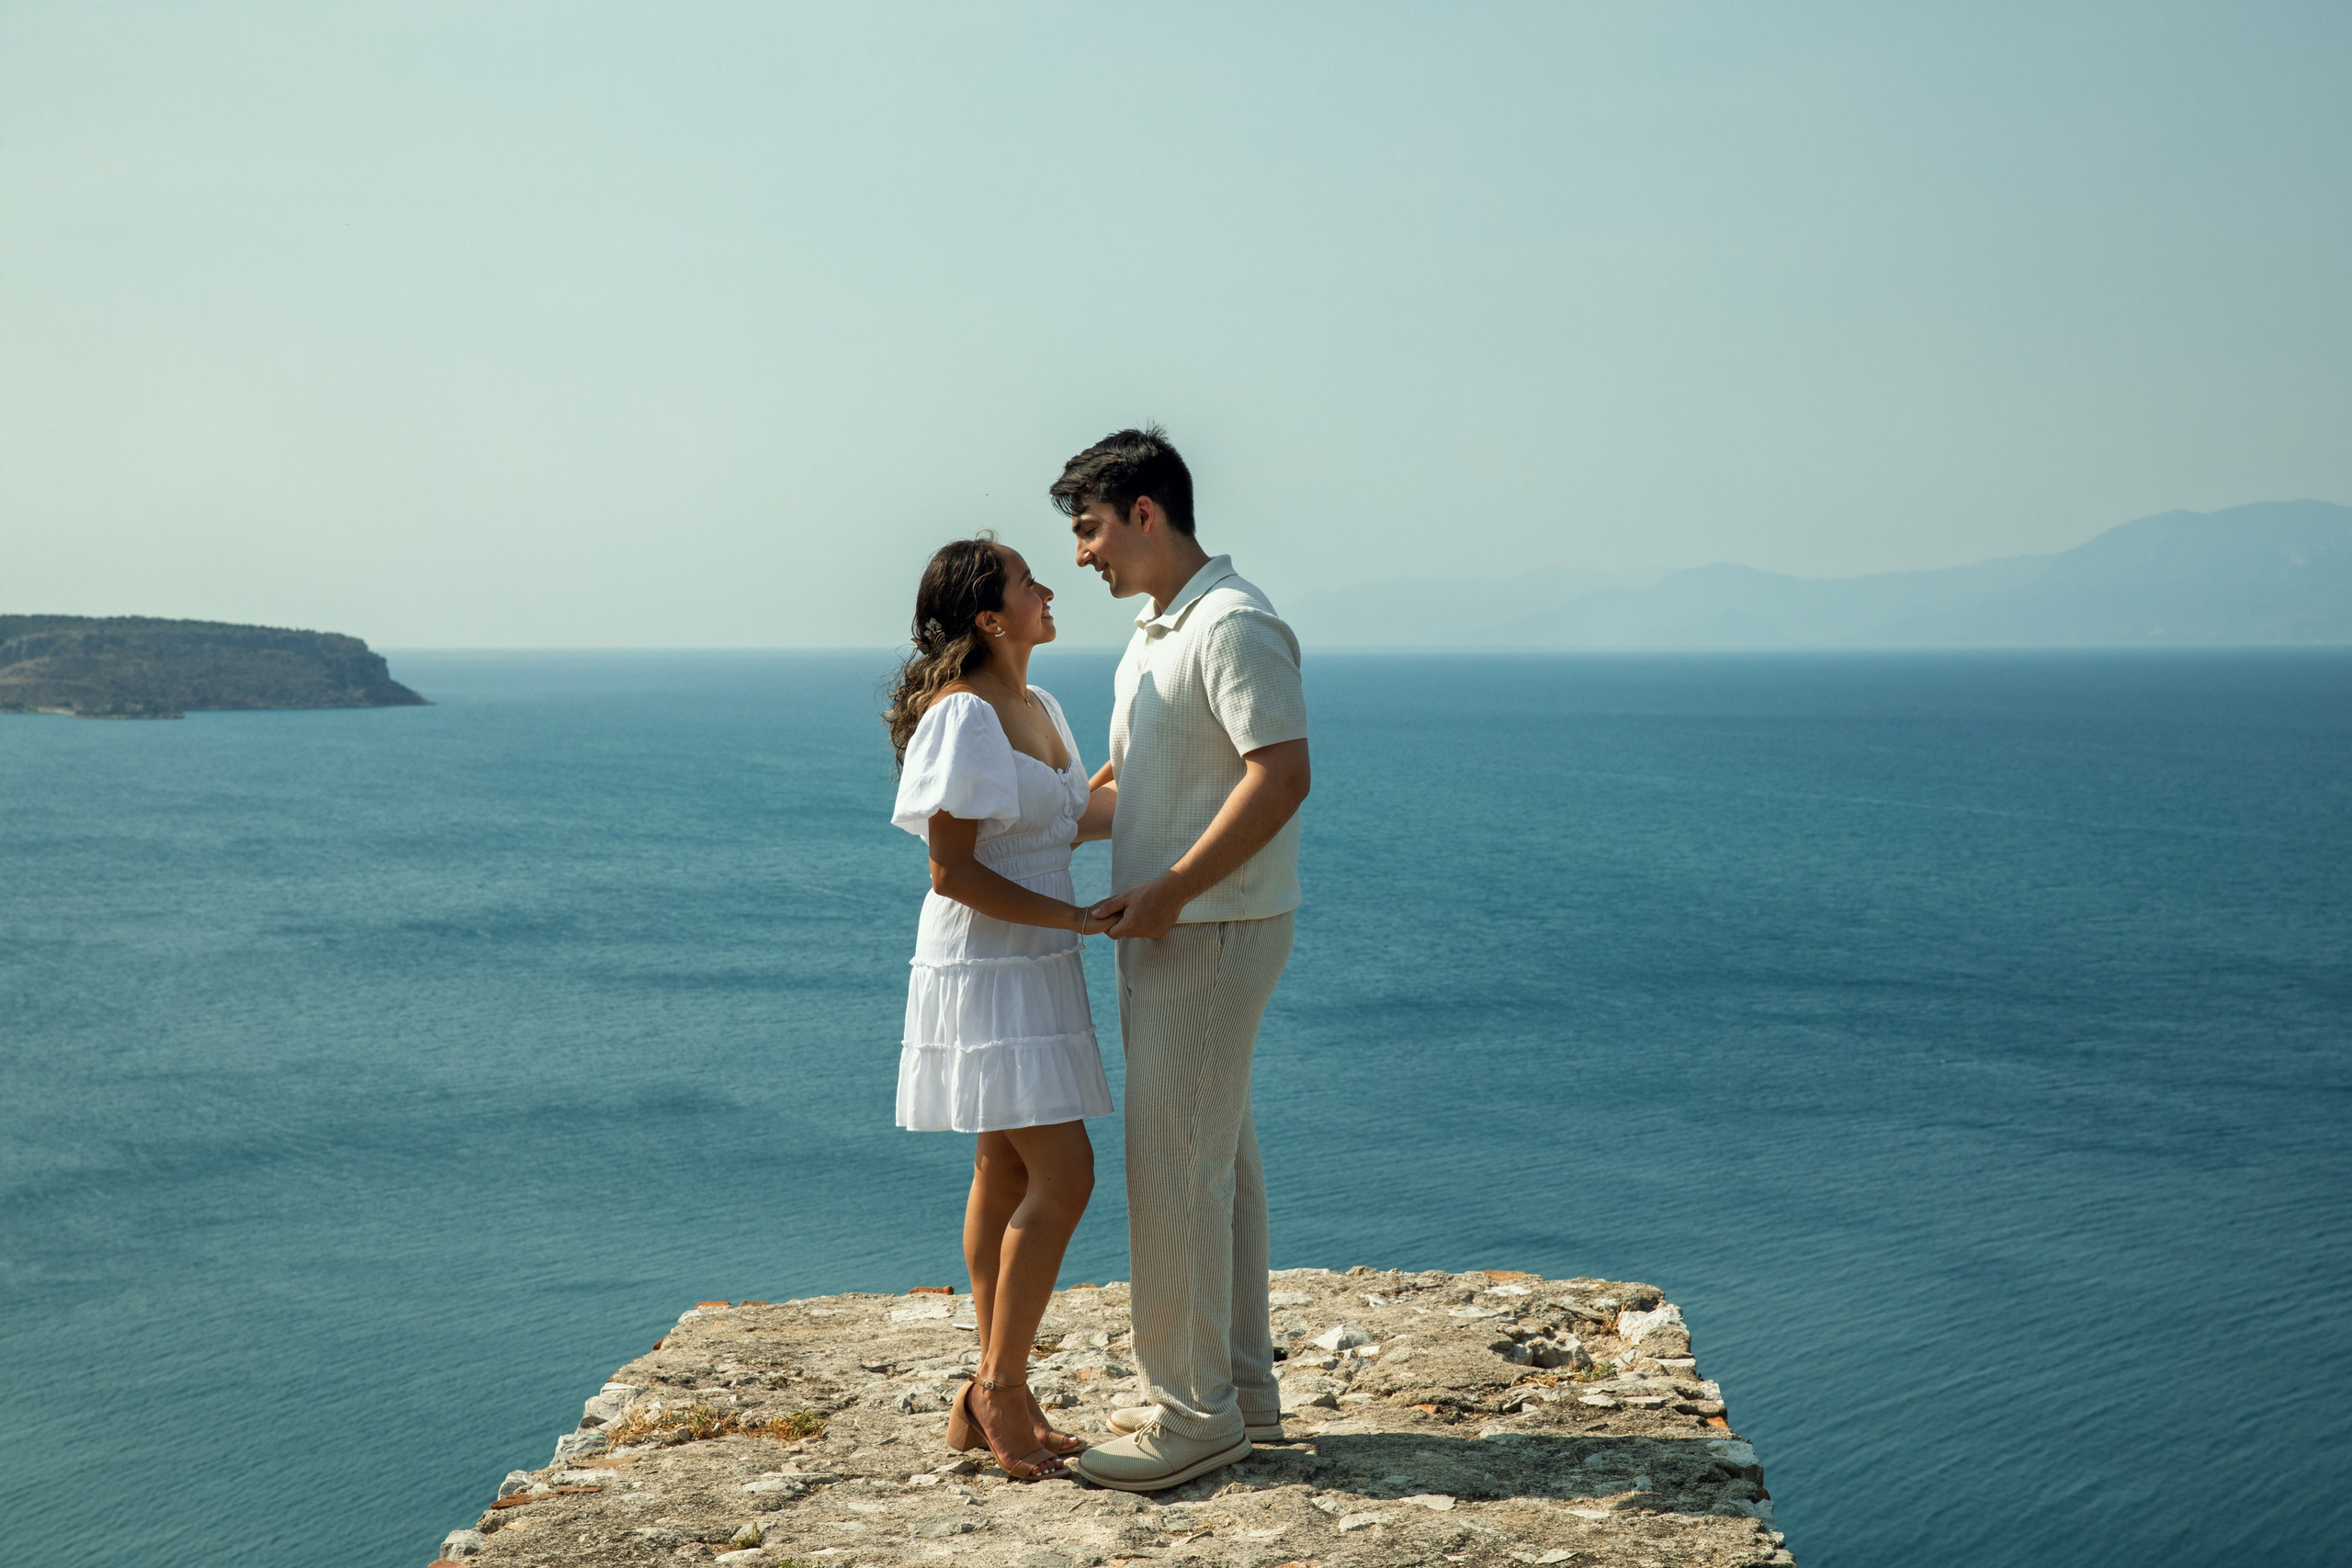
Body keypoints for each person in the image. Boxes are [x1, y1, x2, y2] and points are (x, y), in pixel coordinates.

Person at [1050, 427, 1313, 1494]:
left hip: (1206, 932)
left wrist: (1168, 890)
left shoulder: (1234, 625)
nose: (1081, 555)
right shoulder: (1162, 632)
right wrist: (1008, 818)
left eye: (1090, 528)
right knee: (1220, 1164)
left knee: (1175, 1169)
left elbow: (1282, 774)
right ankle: (1241, 1395)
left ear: (1145, 512)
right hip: (1188, 928)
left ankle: (1189, 1415)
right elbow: (1138, 786)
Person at [883, 535, 1119, 1483]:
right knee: (1064, 1177)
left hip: (1038, 958)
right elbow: (951, 870)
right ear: (991, 615)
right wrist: (1074, 914)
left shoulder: (1041, 704)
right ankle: (1000, 1388)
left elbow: (1073, 819)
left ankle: (984, 1393)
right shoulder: (965, 716)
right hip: (988, 961)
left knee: (1003, 1163)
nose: (1050, 589)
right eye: (1030, 582)